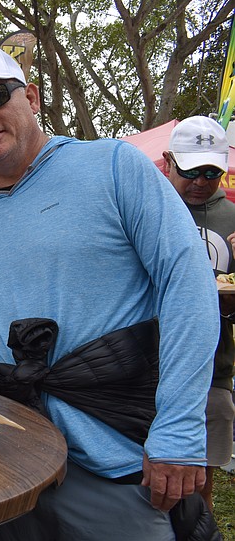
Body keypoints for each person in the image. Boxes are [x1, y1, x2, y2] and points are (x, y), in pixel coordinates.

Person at [0, 45, 220, 540]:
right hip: (13, 459)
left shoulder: (113, 165)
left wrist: (178, 428)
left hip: (120, 456)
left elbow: (188, 285)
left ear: (32, 97)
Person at [163, 115, 235, 513]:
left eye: (212, 171)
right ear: (168, 160)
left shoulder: (232, 219)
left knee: (200, 482)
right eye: (192, 170)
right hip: (148, 369)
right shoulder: (146, 211)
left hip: (213, 373)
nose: (201, 182)